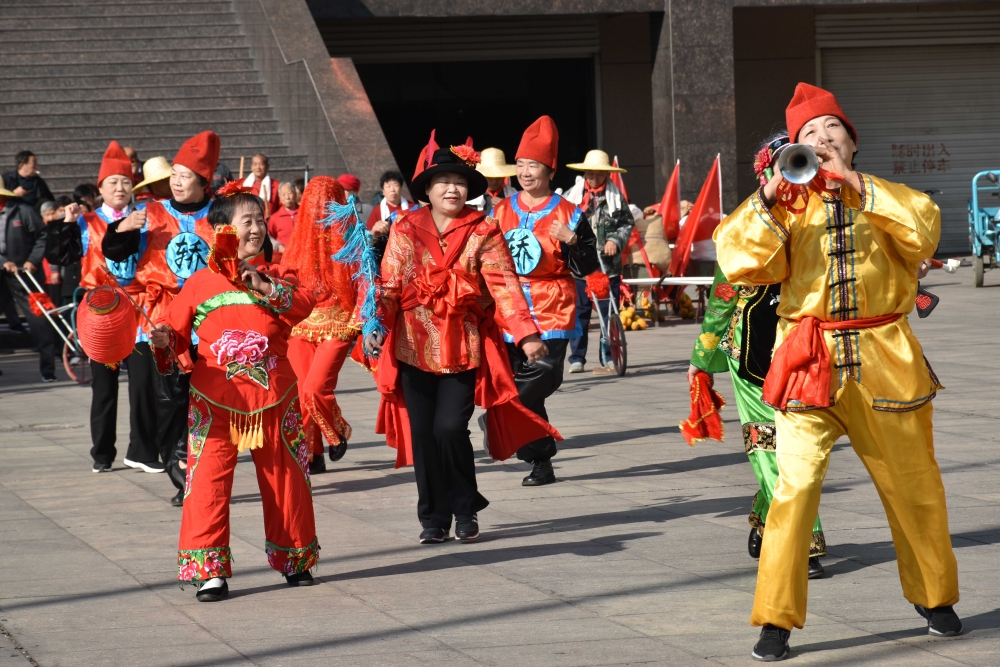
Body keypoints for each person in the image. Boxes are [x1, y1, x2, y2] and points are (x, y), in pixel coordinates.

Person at [714, 83, 961, 661]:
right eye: (808, 136)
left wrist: (859, 188)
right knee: (793, 492)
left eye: (832, 132)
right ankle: (776, 619)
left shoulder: (888, 197)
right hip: (809, 361)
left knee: (914, 487)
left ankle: (935, 598)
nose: (822, 143)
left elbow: (924, 233)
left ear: (853, 141)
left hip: (886, 360)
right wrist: (769, 198)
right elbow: (738, 261)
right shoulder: (787, 208)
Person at [365, 145, 556, 543]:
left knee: (450, 428)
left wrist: (526, 334)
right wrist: (374, 323)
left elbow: (504, 285)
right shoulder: (405, 227)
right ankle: (433, 519)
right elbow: (388, 285)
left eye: (458, 182)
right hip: (411, 346)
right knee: (424, 434)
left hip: (462, 346)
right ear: (428, 190)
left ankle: (464, 505)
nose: (451, 189)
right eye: (443, 182)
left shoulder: (483, 229)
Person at [149, 183, 319, 601]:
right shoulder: (199, 283)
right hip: (214, 400)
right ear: (223, 229)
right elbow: (175, 333)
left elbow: (304, 305)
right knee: (207, 482)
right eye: (249, 221)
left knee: (287, 479)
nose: (258, 228)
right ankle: (210, 572)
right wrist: (161, 339)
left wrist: (263, 287)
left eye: (261, 219)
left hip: (275, 395)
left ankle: (294, 560)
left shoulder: (279, 274)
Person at [688, 133, 828, 581]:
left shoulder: (827, 216)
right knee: (770, 446)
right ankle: (803, 543)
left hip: (808, 350)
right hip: (750, 353)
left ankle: (768, 516)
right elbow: (723, 295)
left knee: (801, 451)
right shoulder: (744, 223)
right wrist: (701, 357)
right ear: (765, 174)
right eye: (782, 165)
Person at [104, 131, 220, 479]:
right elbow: (114, 252)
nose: (177, 182)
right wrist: (123, 228)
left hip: (210, 317)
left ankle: (200, 458)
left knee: (208, 395)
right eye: (175, 174)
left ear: (203, 181)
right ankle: (176, 464)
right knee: (168, 399)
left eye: (185, 176)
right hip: (163, 318)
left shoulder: (221, 213)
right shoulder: (150, 212)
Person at [492, 116, 600, 486]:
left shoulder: (571, 213)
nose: (525, 172)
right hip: (508, 309)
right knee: (525, 391)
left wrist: (572, 240)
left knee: (542, 374)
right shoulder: (500, 212)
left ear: (549, 169)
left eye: (532, 165)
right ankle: (540, 462)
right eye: (520, 164)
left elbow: (589, 265)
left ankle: (502, 415)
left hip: (553, 305)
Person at [45, 141, 147, 473]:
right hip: (102, 314)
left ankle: (142, 449)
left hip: (140, 309)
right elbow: (60, 257)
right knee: (104, 388)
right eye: (113, 182)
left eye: (126, 182)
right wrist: (65, 225)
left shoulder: (145, 217)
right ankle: (102, 454)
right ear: (100, 187)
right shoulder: (86, 221)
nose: (120, 188)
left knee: (143, 385)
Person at [283, 176, 357, 475]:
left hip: (338, 323)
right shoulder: (298, 240)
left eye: (326, 203)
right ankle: (311, 455)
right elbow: (286, 276)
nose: (318, 209)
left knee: (315, 388)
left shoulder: (352, 239)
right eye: (313, 203)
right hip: (302, 325)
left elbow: (366, 281)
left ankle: (337, 431)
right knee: (300, 393)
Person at [562, 149, 634, 373]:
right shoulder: (571, 196)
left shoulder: (615, 197)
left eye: (598, 173)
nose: (593, 177)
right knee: (581, 311)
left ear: (606, 175)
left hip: (607, 264)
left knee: (607, 309)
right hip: (580, 265)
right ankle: (577, 358)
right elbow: (560, 224)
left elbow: (626, 223)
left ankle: (610, 355)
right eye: (589, 173)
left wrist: (615, 240)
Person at [0, 183, 56, 380]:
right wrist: (3, 262)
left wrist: (33, 260)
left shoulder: (22, 211)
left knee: (40, 320)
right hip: (2, 273)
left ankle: (48, 370)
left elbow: (43, 234)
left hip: (23, 274)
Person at [467, 148, 517, 216]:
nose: (494, 181)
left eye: (498, 177)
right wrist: (488, 204)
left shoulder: (513, 194)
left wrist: (507, 205)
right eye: (490, 177)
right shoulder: (470, 195)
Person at [365, 170, 412, 236]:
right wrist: (374, 231)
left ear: (401, 189)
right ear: (383, 191)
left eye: (395, 185)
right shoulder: (377, 210)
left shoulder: (413, 207)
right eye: (388, 186)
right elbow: (367, 238)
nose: (392, 190)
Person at [267, 182, 299, 260]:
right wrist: (278, 246)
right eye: (283, 194)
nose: (287, 197)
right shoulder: (275, 218)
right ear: (279, 197)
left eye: (289, 193)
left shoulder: (304, 213)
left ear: (295, 194)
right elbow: (269, 236)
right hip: (284, 257)